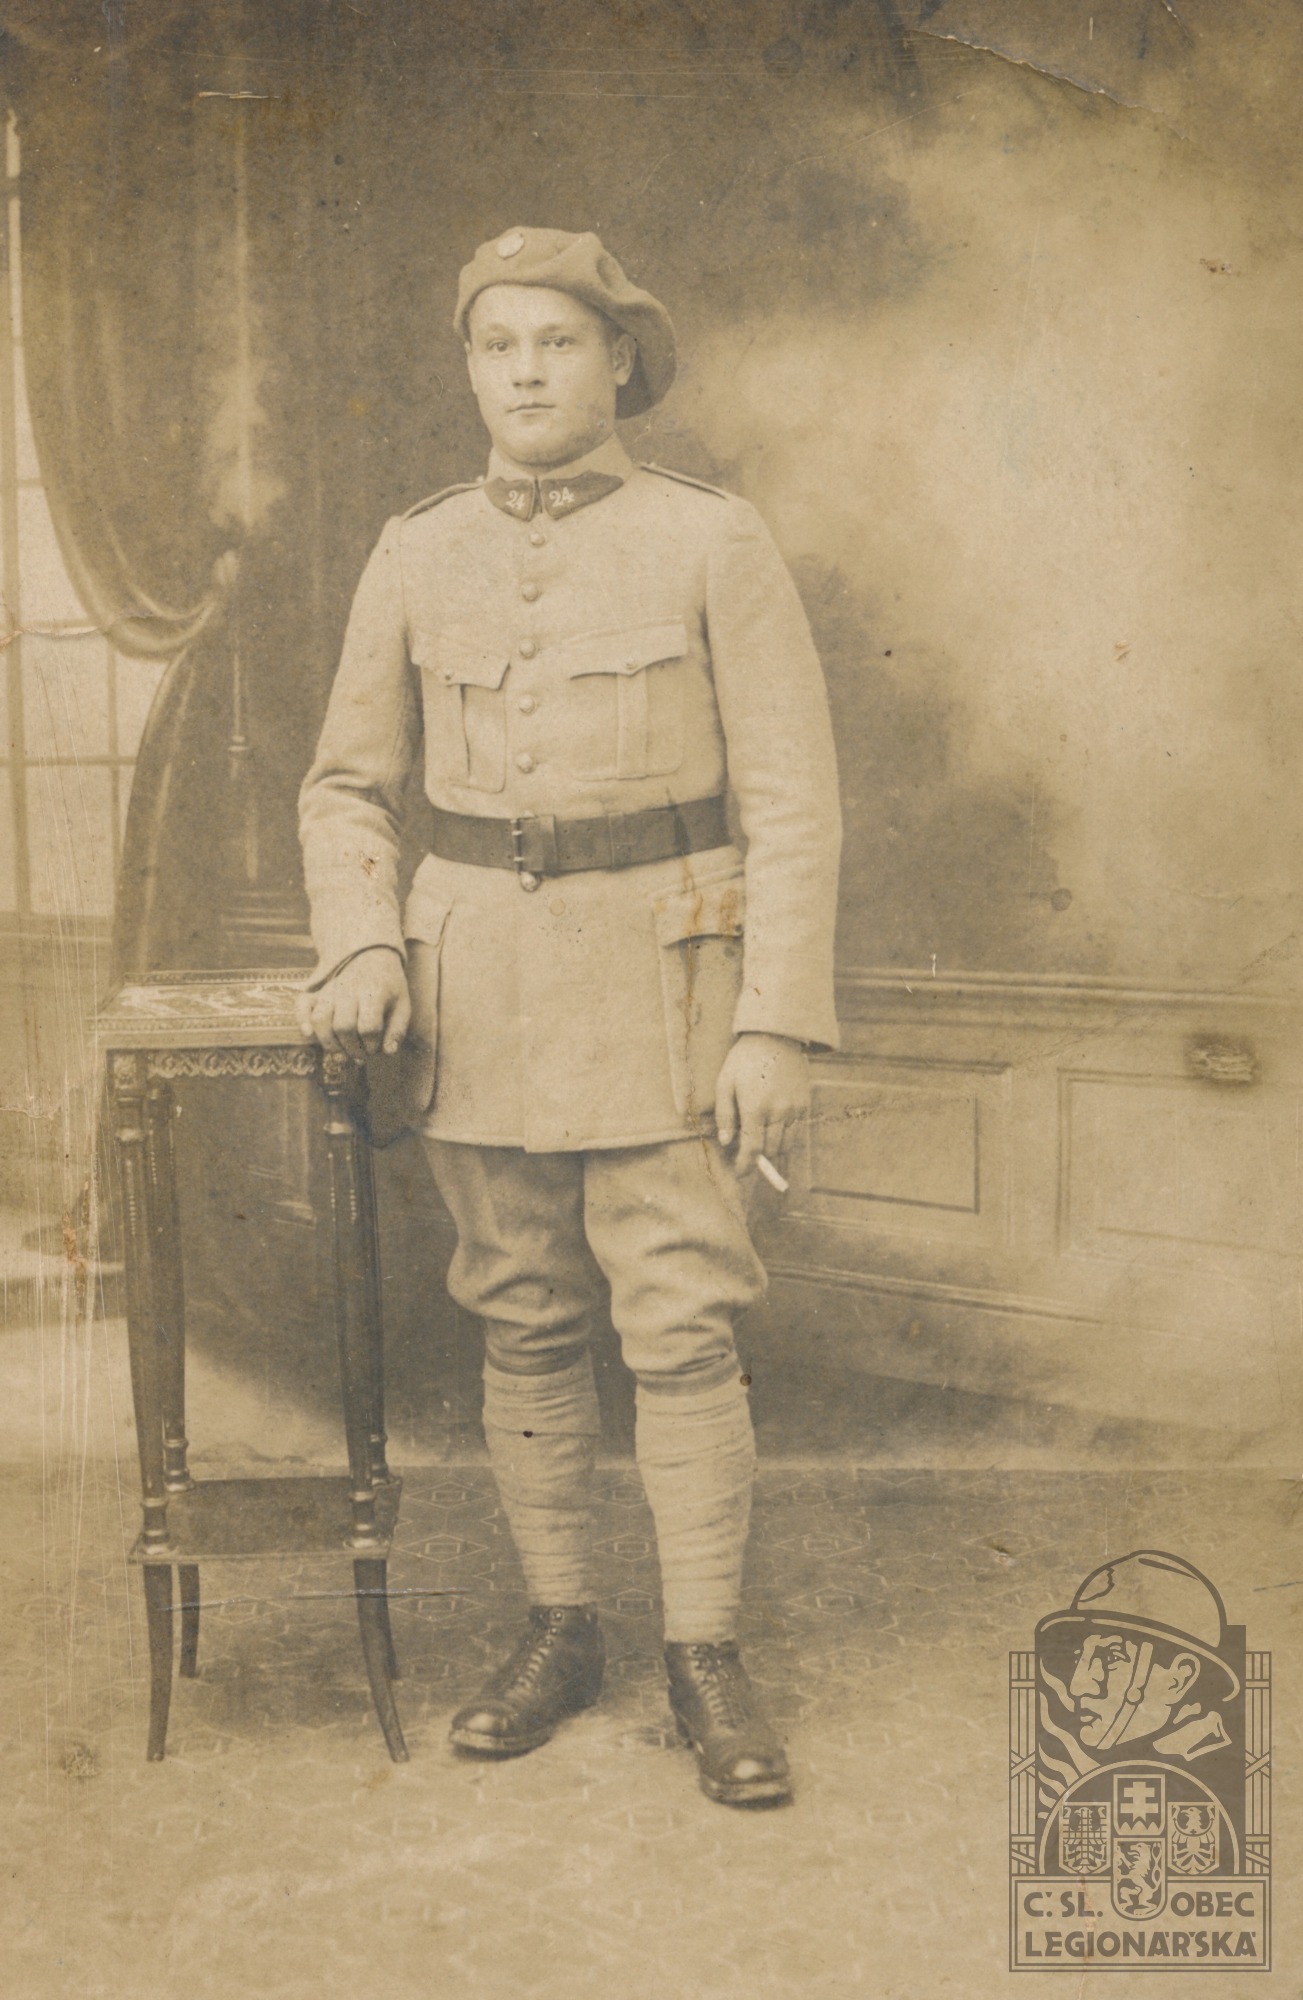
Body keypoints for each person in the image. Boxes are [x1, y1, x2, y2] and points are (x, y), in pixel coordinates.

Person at [297, 225, 842, 1806]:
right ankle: (561, 1628)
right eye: (498, 346)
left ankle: (704, 1652)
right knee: (523, 1313)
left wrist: (772, 1023)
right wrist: (362, 939)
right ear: (470, 368)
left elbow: (794, 803)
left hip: (670, 987)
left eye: (558, 343)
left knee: (678, 1323)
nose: (526, 373)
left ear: (619, 362)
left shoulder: (712, 540)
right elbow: (345, 787)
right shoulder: (415, 550)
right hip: (474, 992)